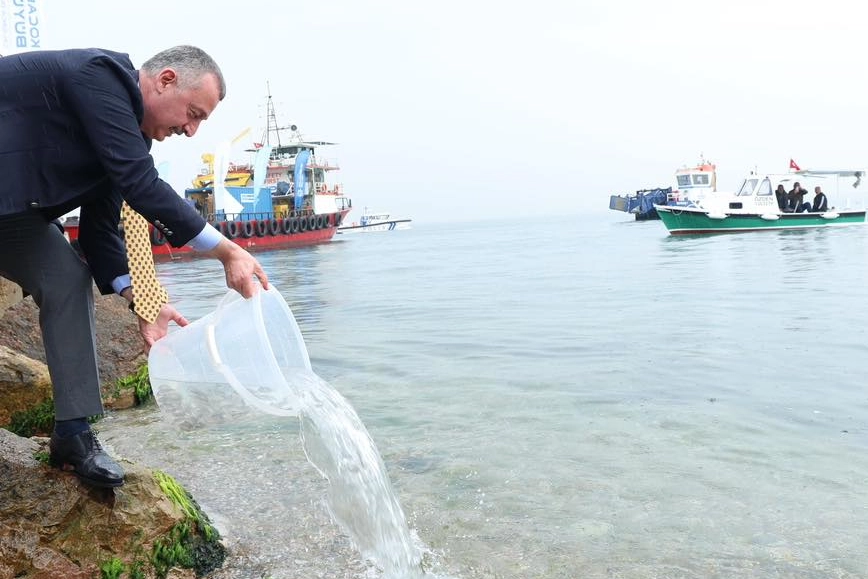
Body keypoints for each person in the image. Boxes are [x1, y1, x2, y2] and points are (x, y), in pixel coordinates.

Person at [0, 46, 269, 488]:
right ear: (165, 80)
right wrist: (228, 251)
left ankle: (73, 433)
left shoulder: (129, 138)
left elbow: (99, 233)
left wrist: (142, 299)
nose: (191, 129)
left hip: (11, 215)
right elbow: (141, 183)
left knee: (67, 277)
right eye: (193, 113)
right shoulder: (99, 77)